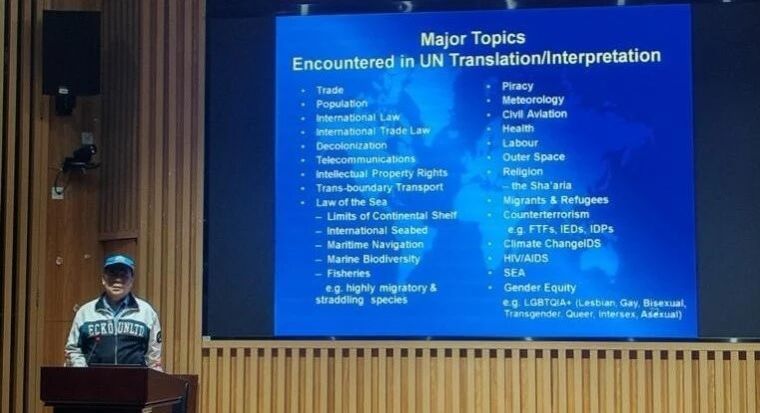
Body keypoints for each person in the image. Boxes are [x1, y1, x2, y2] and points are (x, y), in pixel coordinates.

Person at [65, 253, 163, 371]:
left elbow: (153, 357)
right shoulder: (85, 313)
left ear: (132, 280)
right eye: (112, 274)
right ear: (103, 279)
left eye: (124, 275)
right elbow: (73, 349)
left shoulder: (147, 313)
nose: (117, 279)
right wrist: (83, 374)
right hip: (93, 380)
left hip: (135, 381)